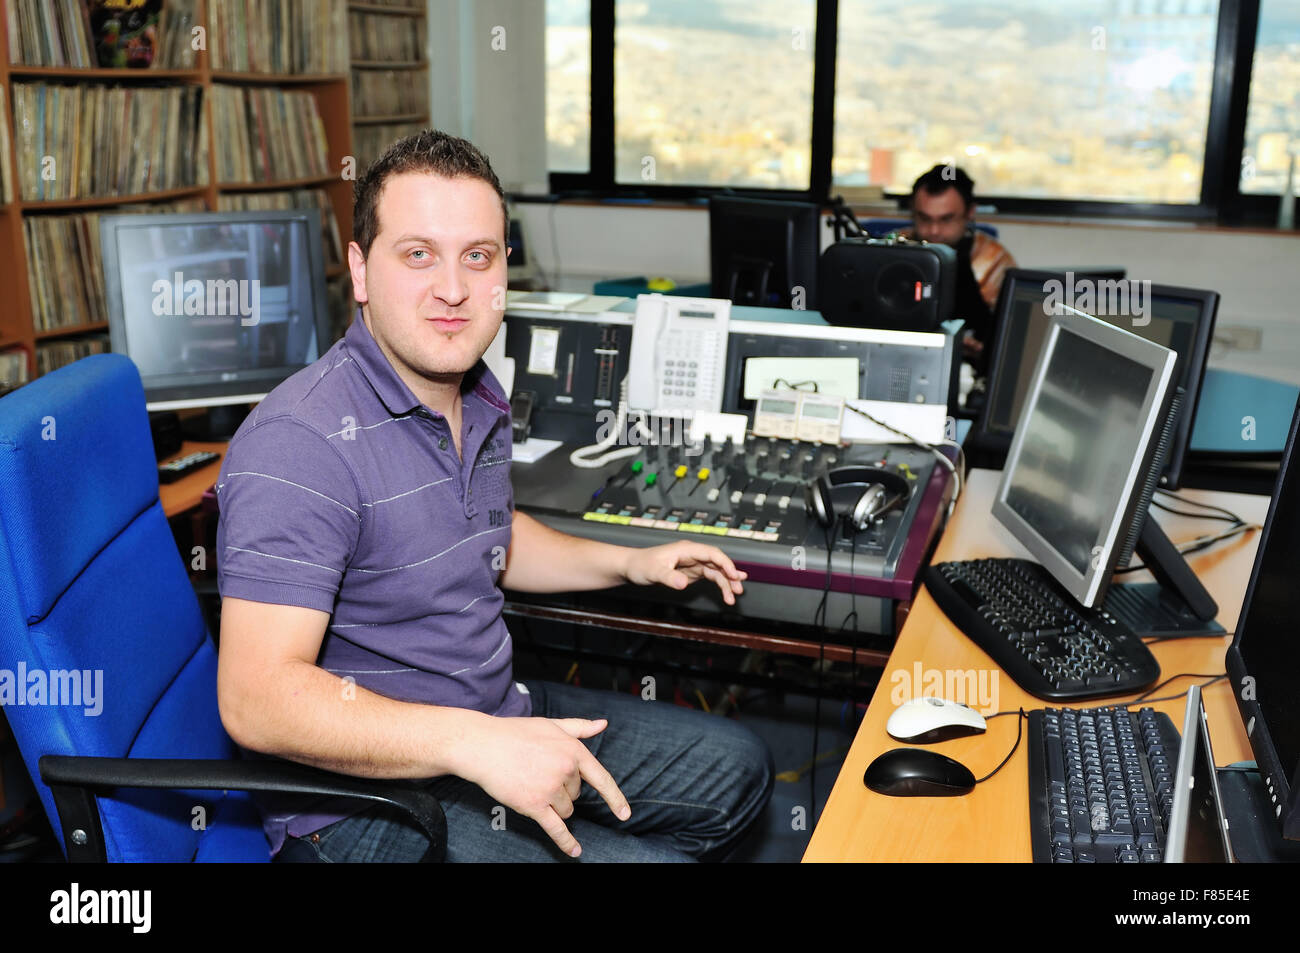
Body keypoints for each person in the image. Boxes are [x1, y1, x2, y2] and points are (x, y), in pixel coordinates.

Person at [215, 129, 774, 863]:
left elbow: (492, 533)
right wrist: (474, 743)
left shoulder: (476, 390)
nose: (453, 288)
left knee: (740, 771)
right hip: (363, 808)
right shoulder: (300, 440)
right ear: (359, 270)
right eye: (418, 254)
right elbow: (255, 699)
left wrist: (631, 563)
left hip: (490, 716)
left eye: (478, 256)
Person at [900, 164, 1017, 370]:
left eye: (946, 219)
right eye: (924, 218)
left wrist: (981, 348)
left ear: (970, 212)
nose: (934, 231)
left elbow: (1011, 340)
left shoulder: (993, 261)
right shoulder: (891, 252)